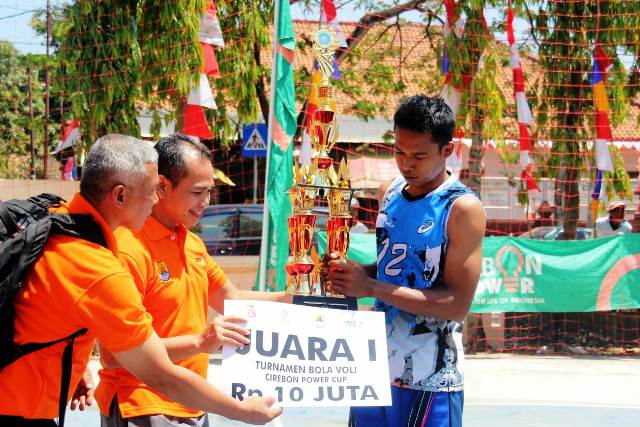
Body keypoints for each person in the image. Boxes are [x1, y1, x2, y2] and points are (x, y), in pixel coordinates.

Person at [0, 134, 281, 427]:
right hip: (21, 412)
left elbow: (35, 307)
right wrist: (241, 410)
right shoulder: (98, 268)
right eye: (151, 190)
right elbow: (159, 373)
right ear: (120, 195)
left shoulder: (55, 219)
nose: (156, 198)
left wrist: (70, 360)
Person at [96, 133, 290, 427]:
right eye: (197, 193)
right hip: (142, 405)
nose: (206, 203)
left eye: (210, 192)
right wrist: (200, 342)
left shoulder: (191, 243)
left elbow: (233, 300)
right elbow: (114, 355)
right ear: (161, 186)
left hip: (193, 404)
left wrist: (298, 298)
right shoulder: (128, 248)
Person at [326, 96, 485, 427]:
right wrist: (351, 274)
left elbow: (457, 304)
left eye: (419, 155)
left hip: (430, 378)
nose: (406, 163)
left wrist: (370, 286)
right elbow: (391, 268)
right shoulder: (389, 192)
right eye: (399, 151)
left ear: (447, 150)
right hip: (373, 369)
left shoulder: (461, 208)